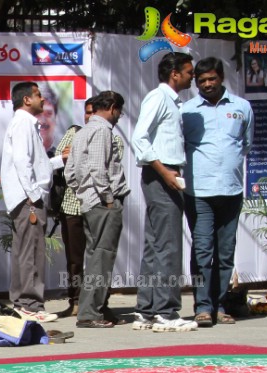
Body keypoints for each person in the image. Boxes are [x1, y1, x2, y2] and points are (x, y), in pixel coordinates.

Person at [182, 57, 253, 327]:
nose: (207, 84)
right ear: (196, 83)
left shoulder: (242, 107)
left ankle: (220, 305)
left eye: (212, 79)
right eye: (202, 81)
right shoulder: (187, 110)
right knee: (202, 251)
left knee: (225, 253)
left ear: (221, 78)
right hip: (199, 192)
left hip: (231, 191)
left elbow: (245, 144)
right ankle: (202, 306)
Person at [130, 51, 197, 332]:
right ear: (175, 74)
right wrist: (165, 172)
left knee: (155, 245)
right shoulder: (159, 98)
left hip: (163, 174)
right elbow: (139, 138)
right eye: (189, 72)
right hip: (162, 175)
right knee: (168, 245)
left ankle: (146, 311)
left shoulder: (173, 101)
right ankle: (167, 312)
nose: (192, 76)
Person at [1, 81, 64, 323]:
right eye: (38, 95)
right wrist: (33, 194)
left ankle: (24, 303)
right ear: (27, 100)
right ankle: (28, 304)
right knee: (31, 252)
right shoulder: (23, 122)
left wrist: (60, 160)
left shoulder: (27, 124)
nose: (42, 100)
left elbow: (38, 164)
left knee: (27, 251)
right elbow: (21, 161)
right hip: (29, 198)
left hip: (29, 195)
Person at [66, 91, 128, 330]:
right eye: (120, 111)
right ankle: (90, 313)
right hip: (103, 203)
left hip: (90, 202)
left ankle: (95, 308)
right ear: (112, 107)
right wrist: (108, 198)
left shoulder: (82, 132)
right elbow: (97, 168)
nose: (120, 116)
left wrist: (83, 193)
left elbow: (71, 171)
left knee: (95, 257)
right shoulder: (102, 130)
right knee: (101, 258)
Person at [52, 100, 93, 317]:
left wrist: (76, 155)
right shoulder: (74, 132)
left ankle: (96, 302)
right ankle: (75, 300)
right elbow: (59, 160)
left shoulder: (112, 137)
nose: (89, 117)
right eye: (87, 113)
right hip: (70, 205)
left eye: (94, 113)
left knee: (98, 258)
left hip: (96, 205)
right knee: (75, 260)